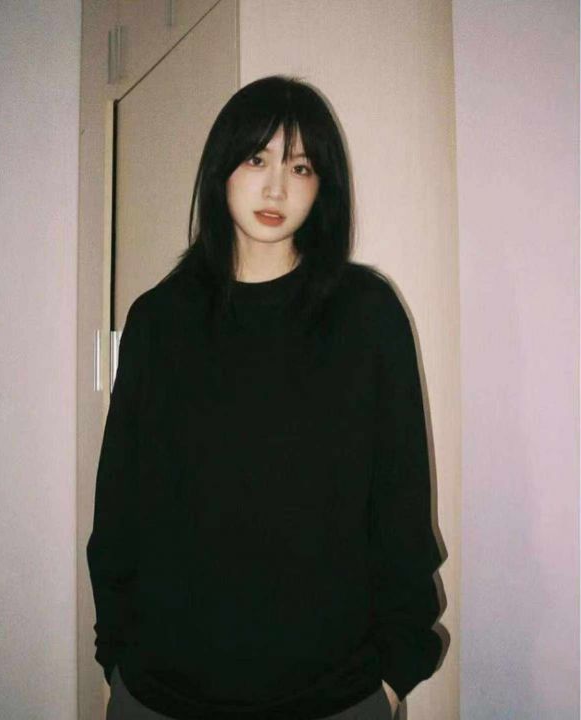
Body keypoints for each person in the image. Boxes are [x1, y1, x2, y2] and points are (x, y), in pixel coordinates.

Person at [87, 74, 446, 720]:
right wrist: (114, 655)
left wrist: (394, 673)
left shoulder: (366, 316)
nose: (276, 187)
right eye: (257, 159)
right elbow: (120, 503)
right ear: (220, 167)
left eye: (300, 166)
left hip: (334, 696)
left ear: (323, 185)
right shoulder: (159, 321)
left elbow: (399, 498)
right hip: (161, 693)